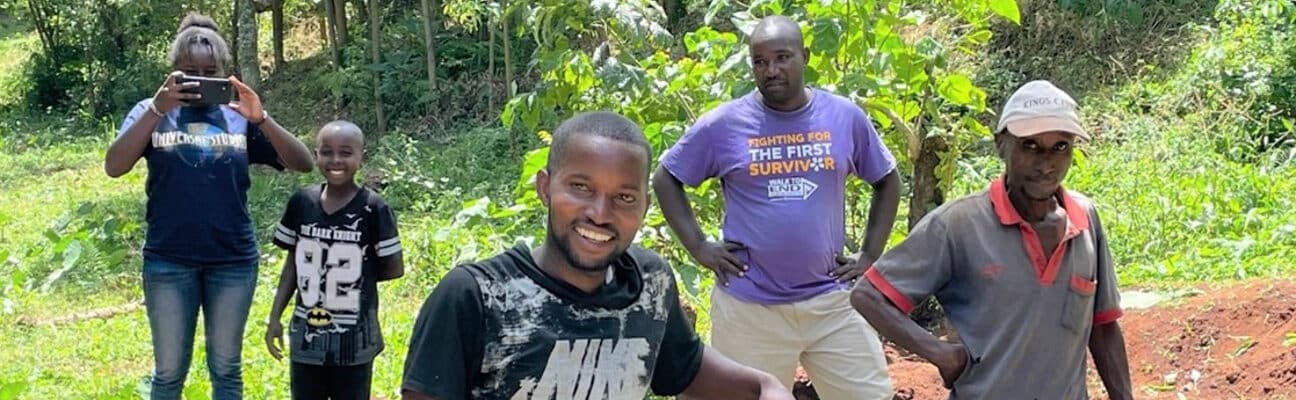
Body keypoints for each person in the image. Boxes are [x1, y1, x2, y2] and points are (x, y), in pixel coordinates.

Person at [400, 111, 793, 400]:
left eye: (623, 197)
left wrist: (764, 386)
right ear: (545, 188)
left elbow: (684, 368)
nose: (600, 214)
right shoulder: (477, 297)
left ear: (643, 206)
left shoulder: (649, 284)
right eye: (581, 188)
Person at [652, 15, 898, 399]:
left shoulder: (843, 117)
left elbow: (887, 179)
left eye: (782, 57)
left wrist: (869, 254)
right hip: (749, 307)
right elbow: (665, 177)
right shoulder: (725, 124)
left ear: (805, 56)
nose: (771, 70)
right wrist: (700, 247)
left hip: (831, 301)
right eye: (759, 61)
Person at [850, 80, 1133, 399]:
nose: (1046, 163)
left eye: (1060, 147)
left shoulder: (1085, 219)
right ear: (1001, 145)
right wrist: (941, 354)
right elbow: (869, 295)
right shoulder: (958, 225)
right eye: (1030, 145)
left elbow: (1104, 325)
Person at [103, 12, 314, 400]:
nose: (199, 79)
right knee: (168, 373)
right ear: (172, 72)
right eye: (188, 71)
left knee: (226, 370)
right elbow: (114, 167)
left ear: (224, 71)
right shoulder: (149, 112)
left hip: (232, 260)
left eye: (208, 70)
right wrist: (157, 109)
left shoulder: (239, 117)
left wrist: (261, 118)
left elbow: (303, 162)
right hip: (168, 259)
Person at [264, 120, 404, 399]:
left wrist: (350, 276)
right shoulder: (302, 203)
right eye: (326, 152)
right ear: (316, 156)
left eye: (346, 152)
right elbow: (293, 264)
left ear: (361, 158)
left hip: (355, 338)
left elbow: (393, 268)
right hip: (307, 335)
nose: (335, 159)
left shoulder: (373, 208)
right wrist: (274, 317)